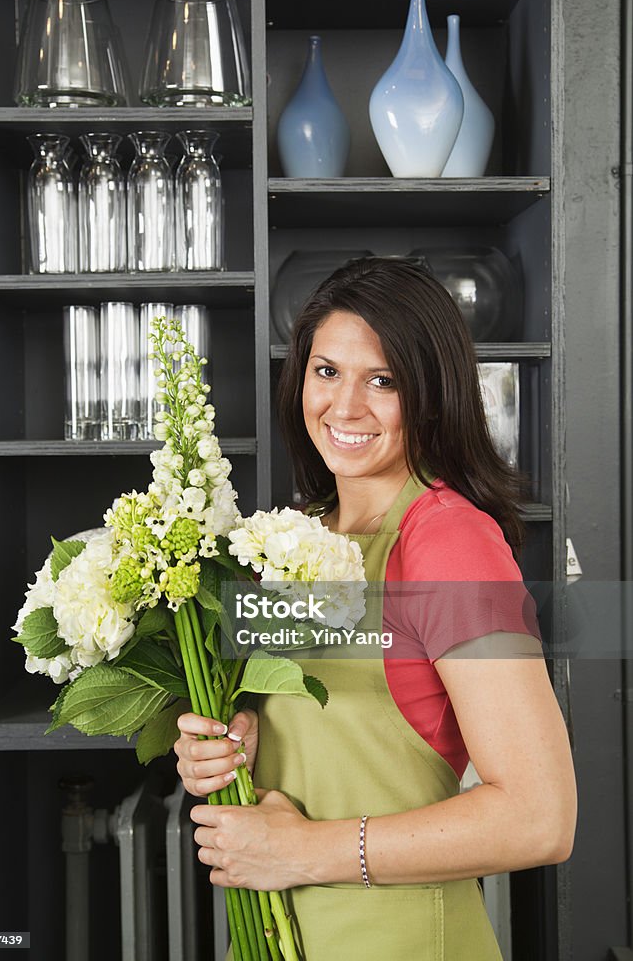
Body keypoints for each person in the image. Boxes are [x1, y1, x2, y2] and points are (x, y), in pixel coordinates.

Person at [174, 257, 577, 960]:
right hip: (278, 937)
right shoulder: (297, 535)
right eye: (326, 371)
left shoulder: (449, 540)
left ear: (428, 394)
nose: (345, 405)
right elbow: (333, 731)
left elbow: (539, 819)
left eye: (382, 380)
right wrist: (236, 748)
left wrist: (304, 851)